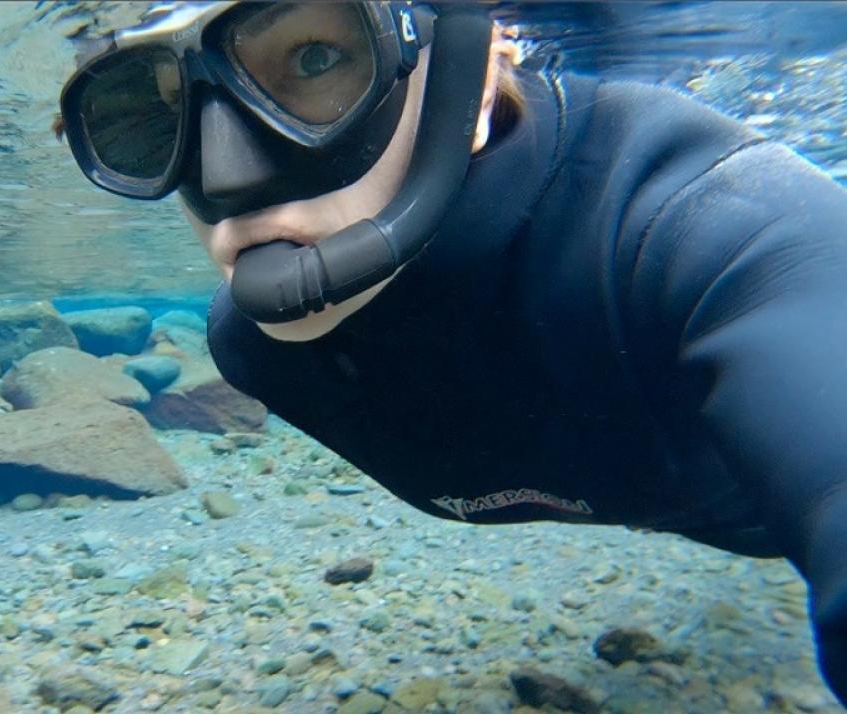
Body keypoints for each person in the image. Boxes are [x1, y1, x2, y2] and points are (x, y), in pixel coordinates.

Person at [56, 1, 847, 702]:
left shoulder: (711, 232)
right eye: (154, 114)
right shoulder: (257, 352)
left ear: (469, 79)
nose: (224, 174)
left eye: (316, 58)